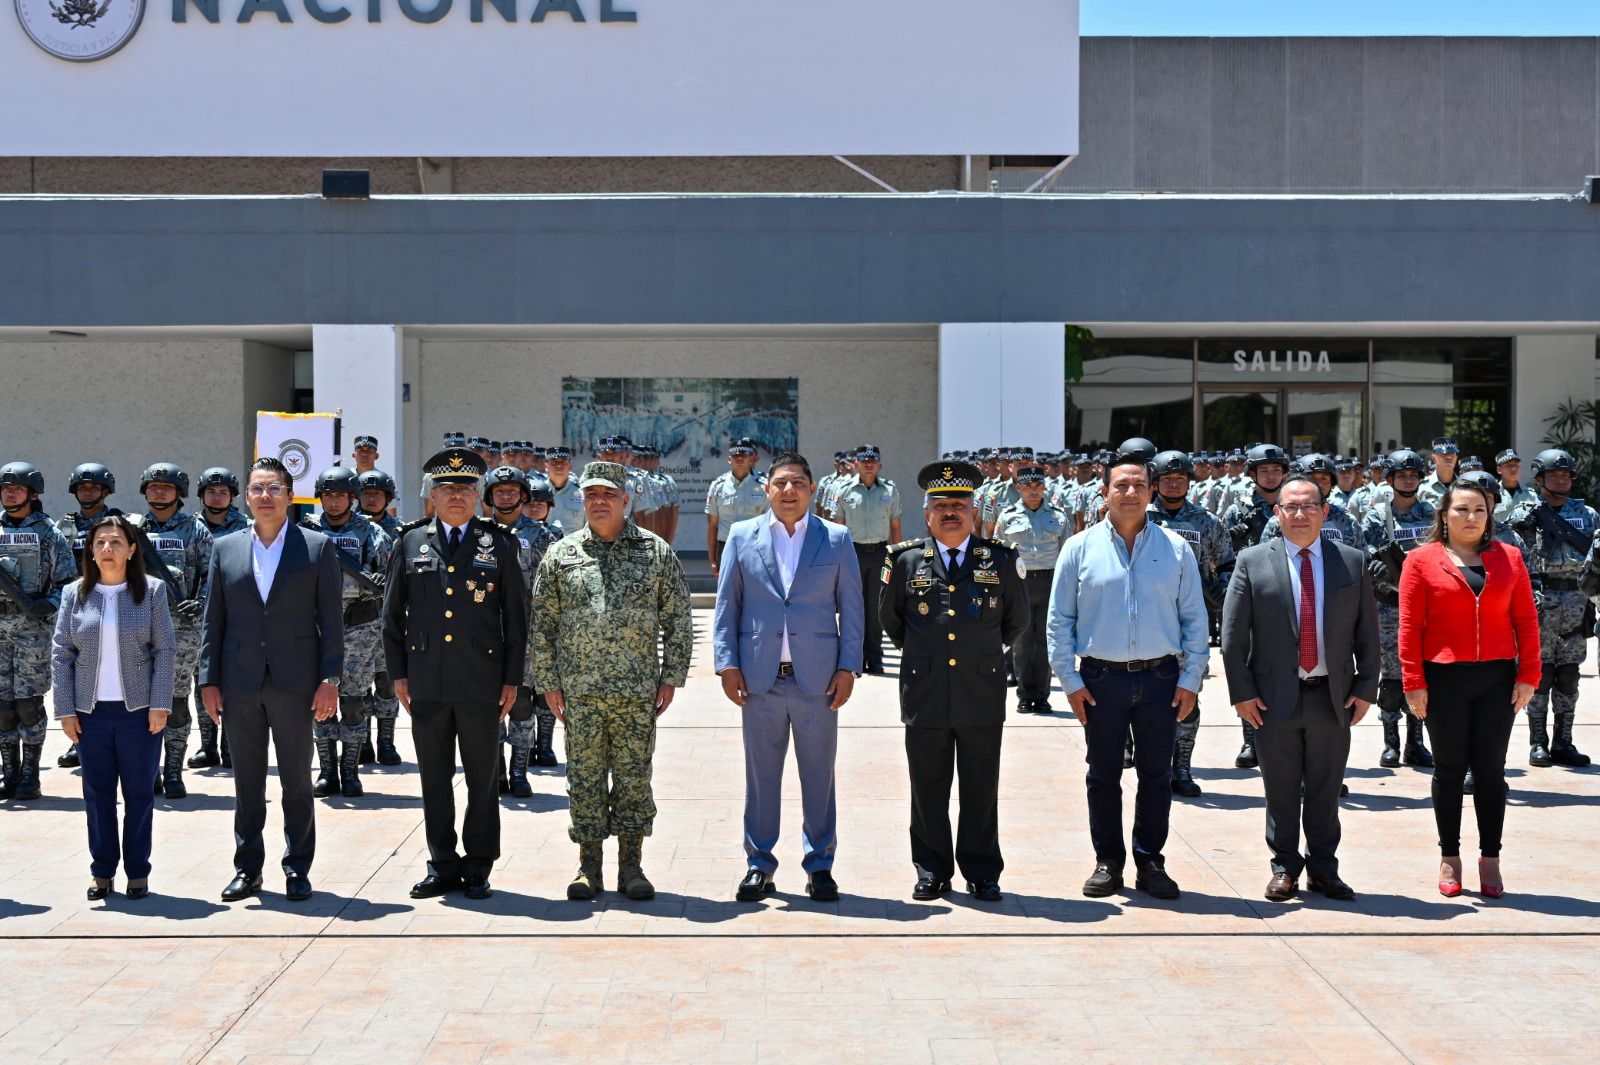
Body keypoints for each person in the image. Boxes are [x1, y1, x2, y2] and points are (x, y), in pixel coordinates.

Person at [1049, 449, 1208, 901]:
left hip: (1162, 679)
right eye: (1121, 485)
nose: (1131, 493)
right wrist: (1070, 681)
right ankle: (1108, 861)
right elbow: (1059, 619)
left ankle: (1150, 861)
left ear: (1152, 491)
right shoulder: (1078, 548)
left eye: (1139, 485)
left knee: (1156, 774)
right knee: (1103, 775)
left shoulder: (1175, 549)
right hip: (1101, 680)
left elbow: (1195, 618)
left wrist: (1191, 678)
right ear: (1105, 493)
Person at [532, 461, 693, 902]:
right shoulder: (562, 555)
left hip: (636, 692)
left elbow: (678, 619)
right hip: (579, 694)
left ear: (626, 500)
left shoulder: (654, 552)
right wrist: (548, 682)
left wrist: (671, 677)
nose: (598, 502)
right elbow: (542, 624)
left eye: (608, 495)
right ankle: (588, 868)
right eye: (591, 495)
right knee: (583, 779)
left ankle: (632, 867)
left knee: (633, 778)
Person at [1221, 475, 1381, 902]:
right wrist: (1241, 692)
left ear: (1324, 512)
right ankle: (1285, 866)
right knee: (1281, 787)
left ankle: (1324, 869)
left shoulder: (1351, 562)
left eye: (1309, 506)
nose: (1299, 514)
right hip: (1273, 699)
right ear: (1277, 513)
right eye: (1290, 506)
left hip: (1333, 696)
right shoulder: (1252, 561)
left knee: (1327, 790)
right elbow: (1234, 636)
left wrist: (1367, 687)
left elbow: (1368, 632)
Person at [714, 452, 863, 902]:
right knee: (761, 777)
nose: (789, 491)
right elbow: (727, 607)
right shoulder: (742, 537)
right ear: (767, 489)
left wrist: (848, 666)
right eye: (780, 483)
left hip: (816, 680)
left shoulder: (835, 539)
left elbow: (852, 609)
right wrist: (727, 663)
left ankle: (820, 864)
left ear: (812, 489)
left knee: (819, 775)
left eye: (798, 482)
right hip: (760, 678)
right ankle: (759, 863)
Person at [382, 448, 527, 901]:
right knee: (434, 776)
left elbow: (517, 620)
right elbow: (392, 618)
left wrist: (511, 679)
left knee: (483, 776)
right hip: (426, 680)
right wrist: (399, 675)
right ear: (432, 495)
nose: (456, 495)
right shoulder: (409, 542)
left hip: (481, 680)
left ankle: (478, 864)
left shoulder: (499, 543)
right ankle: (442, 863)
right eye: (447, 487)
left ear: (478, 495)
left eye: (466, 488)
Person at [881, 461, 1028, 902]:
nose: (950, 512)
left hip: (980, 691)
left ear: (973, 511)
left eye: (959, 505)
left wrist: (974, 652)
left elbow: (1015, 621)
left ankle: (982, 871)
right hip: (924, 693)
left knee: (981, 787)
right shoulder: (905, 560)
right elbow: (892, 622)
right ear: (926, 514)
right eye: (941, 505)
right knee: (927, 787)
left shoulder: (1000, 559)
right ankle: (932, 869)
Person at [199, 457, 344, 903]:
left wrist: (330, 679)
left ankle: (297, 868)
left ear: (288, 495)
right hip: (239, 682)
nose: (265, 496)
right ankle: (248, 869)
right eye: (258, 489)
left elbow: (331, 621)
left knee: (297, 782)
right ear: (247, 496)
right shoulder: (225, 549)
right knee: (247, 783)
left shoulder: (316, 547)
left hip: (296, 682)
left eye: (274, 489)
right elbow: (213, 621)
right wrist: (208, 680)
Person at [1400, 479, 1539, 899]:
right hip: (1443, 680)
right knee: (1448, 770)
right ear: (1444, 515)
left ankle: (1490, 858)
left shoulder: (1509, 558)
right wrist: (1413, 682)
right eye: (1461, 509)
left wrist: (1529, 675)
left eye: (1479, 510)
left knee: (1491, 772)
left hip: (1497, 679)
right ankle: (1450, 856)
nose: (1471, 517)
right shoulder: (1421, 561)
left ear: (1489, 515)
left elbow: (1527, 621)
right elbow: (1410, 627)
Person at [50, 514, 176, 901]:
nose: (108, 548)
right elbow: (61, 653)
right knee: (97, 796)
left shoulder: (151, 592)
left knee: (139, 795)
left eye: (117, 542)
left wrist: (159, 705)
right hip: (90, 713)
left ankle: (138, 872)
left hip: (138, 711)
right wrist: (66, 710)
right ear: (90, 548)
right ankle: (102, 872)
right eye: (101, 542)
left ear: (132, 549)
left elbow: (165, 649)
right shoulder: (75, 594)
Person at [1143, 450, 1233, 797]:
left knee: (1187, 692)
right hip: (1147, 616)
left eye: (1181, 478)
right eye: (1168, 478)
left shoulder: (1207, 521)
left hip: (1189, 618)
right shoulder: (1142, 517)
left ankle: (1181, 766)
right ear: (1156, 482)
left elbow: (1227, 563)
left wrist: (1219, 590)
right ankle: (1149, 760)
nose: (1175, 483)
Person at [302, 466, 392, 799]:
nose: (335, 501)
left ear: (352, 497)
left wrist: (380, 583)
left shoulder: (372, 533)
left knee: (353, 701)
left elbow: (389, 577)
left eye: (341, 495)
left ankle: (350, 771)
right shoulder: (304, 532)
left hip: (359, 624)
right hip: (316, 626)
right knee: (320, 702)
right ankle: (327, 772)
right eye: (328, 495)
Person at [133, 462, 214, 799]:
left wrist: (200, 601)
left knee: (175, 702)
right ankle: (149, 770)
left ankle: (174, 771)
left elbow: (213, 576)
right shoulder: (133, 530)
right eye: (153, 487)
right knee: (142, 703)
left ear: (179, 492)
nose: (159, 492)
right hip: (139, 628)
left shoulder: (196, 531)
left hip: (182, 628)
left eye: (166, 487)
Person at [1513, 449, 1597, 768]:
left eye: (1566, 475)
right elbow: (1512, 549)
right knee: (1541, 674)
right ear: (1539, 479)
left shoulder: (1586, 514)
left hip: (1576, 598)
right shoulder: (1527, 512)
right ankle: (1538, 742)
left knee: (1568, 675)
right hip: (1542, 599)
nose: (1562, 479)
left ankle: (1564, 741)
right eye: (1554, 475)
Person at [0, 462, 77, 800]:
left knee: (28, 704)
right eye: (5, 488)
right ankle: (9, 771)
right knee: (2, 706)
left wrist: (50, 604)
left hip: (33, 630)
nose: (9, 494)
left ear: (32, 494)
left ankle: (31, 773)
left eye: (16, 488)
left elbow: (67, 581)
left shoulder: (49, 534)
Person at [484, 466, 561, 795]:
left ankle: (519, 772)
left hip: (527, 632)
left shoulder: (542, 535)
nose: (506, 496)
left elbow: (556, 585)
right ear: (489, 495)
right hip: (485, 633)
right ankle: (496, 771)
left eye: (512, 491)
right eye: (499, 491)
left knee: (522, 703)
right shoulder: (477, 533)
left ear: (523, 495)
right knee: (489, 705)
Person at [1361, 448, 1437, 769]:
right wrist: (1375, 570)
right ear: (1389, 479)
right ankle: (1391, 742)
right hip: (1391, 606)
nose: (1408, 479)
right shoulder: (1378, 517)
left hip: (1428, 605)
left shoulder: (1432, 513)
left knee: (1420, 675)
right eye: (1402, 475)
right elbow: (1367, 555)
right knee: (1392, 678)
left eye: (1414, 475)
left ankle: (1416, 743)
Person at [1221, 443, 1291, 770]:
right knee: (1248, 664)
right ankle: (1250, 738)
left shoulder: (1294, 505)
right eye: (1264, 470)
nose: (1271, 475)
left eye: (1276, 470)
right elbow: (1221, 556)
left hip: (1287, 593)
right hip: (1250, 592)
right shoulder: (1238, 510)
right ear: (1252, 474)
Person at [52, 462, 124, 771]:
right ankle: (78, 738)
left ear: (106, 491)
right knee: (78, 672)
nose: (88, 492)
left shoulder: (117, 524)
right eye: (82, 488)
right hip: (77, 604)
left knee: (109, 671)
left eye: (94, 488)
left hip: (112, 603)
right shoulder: (63, 527)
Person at [995, 464, 1070, 715]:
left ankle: (1043, 695)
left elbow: (1067, 554)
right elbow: (1000, 553)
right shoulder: (1007, 516)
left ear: (1044, 487)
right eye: (1027, 486)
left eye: (1037, 486)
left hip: (1050, 582)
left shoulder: (1058, 516)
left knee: (1046, 640)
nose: (1033, 491)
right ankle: (1026, 695)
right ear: (1019, 488)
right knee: (1024, 642)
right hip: (1020, 582)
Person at [830, 445, 903, 675]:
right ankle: (855, 657)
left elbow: (895, 527)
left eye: (873, 461)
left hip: (880, 553)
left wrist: (897, 556)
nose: (869, 464)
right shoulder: (843, 490)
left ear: (879, 465)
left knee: (876, 608)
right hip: (852, 553)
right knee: (853, 608)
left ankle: (876, 657)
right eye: (865, 461)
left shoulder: (890, 491)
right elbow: (837, 527)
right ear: (857, 464)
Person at [706, 437, 770, 578]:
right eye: (736, 456)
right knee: (727, 593)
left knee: (754, 591)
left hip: (755, 547)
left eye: (744, 455)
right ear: (729, 459)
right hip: (726, 546)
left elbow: (770, 523)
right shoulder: (718, 486)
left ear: (750, 459)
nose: (739, 459)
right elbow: (712, 526)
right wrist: (712, 560)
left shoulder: (764, 486)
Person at [1493, 449, 1538, 522]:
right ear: (1499, 469)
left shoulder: (1531, 495)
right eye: (1508, 465)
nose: (1513, 469)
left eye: (1516, 465)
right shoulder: (1492, 494)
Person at [1418, 436, 1461, 507]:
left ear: (1456, 458)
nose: (1449, 457)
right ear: (1434, 458)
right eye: (1444, 454)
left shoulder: (1464, 486)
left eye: (1452, 453)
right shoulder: (1422, 487)